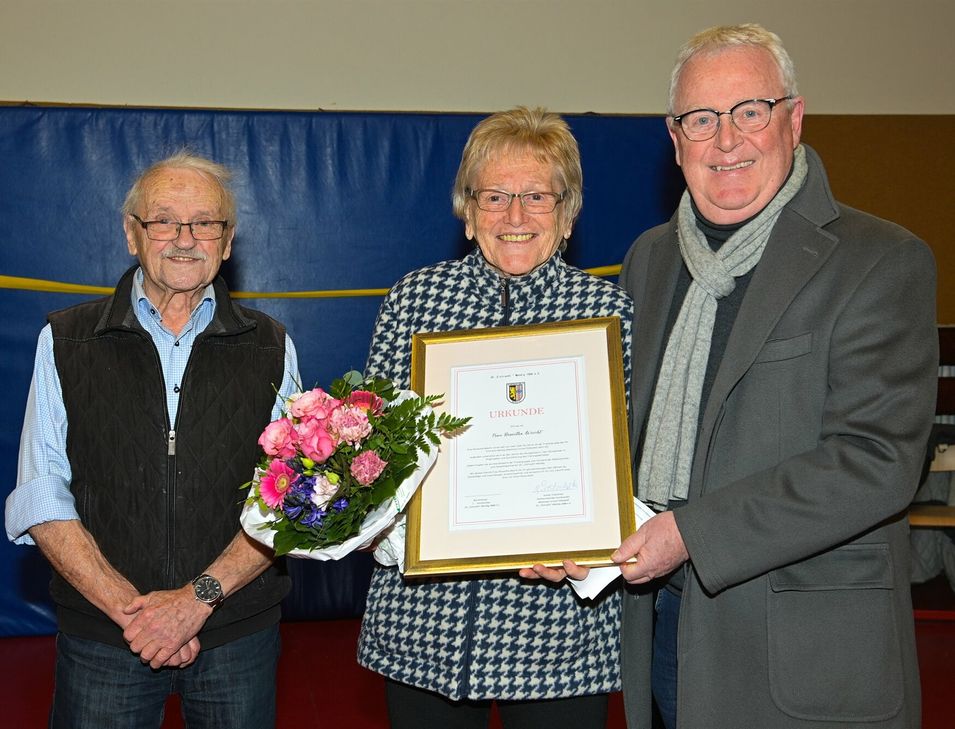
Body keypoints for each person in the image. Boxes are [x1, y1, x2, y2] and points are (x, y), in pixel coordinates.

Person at [612, 23, 937, 729]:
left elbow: (874, 461)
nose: (725, 141)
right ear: (674, 141)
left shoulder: (879, 260)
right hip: (664, 631)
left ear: (793, 119)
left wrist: (691, 532)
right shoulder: (649, 258)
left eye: (749, 111)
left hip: (805, 653)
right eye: (700, 119)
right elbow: (622, 434)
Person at [357, 107, 635, 728]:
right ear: (467, 208)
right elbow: (371, 452)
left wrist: (602, 540)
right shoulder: (415, 300)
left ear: (567, 212)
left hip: (559, 626)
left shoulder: (608, 313)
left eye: (536, 196)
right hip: (425, 623)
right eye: (495, 196)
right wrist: (385, 525)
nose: (514, 217)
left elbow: (632, 462)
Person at [5, 152, 300, 728]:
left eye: (205, 222)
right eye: (164, 220)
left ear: (229, 239)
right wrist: (138, 614)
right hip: (106, 635)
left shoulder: (272, 344)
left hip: (233, 632)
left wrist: (195, 603)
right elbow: (41, 493)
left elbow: (288, 501)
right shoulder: (65, 340)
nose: (184, 239)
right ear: (131, 234)